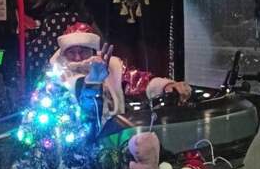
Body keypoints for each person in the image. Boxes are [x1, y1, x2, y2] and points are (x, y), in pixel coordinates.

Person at [49, 22, 192, 129]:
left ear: (92, 51)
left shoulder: (111, 65)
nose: (78, 57)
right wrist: (93, 82)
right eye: (72, 52)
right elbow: (87, 113)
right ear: (64, 53)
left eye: (83, 51)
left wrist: (166, 86)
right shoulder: (56, 77)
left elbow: (136, 81)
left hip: (115, 135)